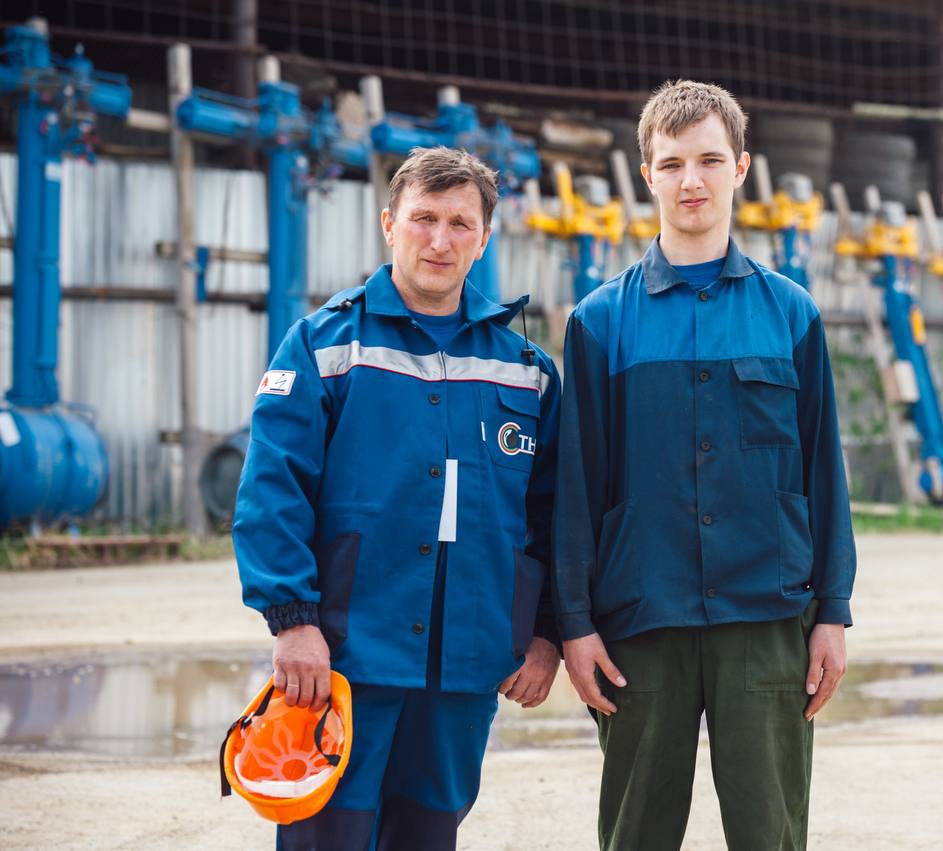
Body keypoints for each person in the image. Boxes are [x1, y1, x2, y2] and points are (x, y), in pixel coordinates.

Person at [553, 80, 857, 851]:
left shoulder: (791, 314)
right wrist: (574, 624)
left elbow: (823, 472)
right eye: (672, 163)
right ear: (647, 175)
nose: (692, 180)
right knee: (637, 835)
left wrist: (832, 610)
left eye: (710, 160)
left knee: (770, 833)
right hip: (640, 619)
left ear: (741, 167)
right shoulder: (600, 322)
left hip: (766, 616)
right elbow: (575, 488)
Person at [233, 146, 561, 850]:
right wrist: (292, 620)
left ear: (484, 238)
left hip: (468, 662)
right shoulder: (323, 345)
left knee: (429, 833)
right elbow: (271, 490)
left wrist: (546, 632)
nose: (440, 240)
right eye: (423, 218)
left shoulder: (526, 370)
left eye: (459, 223)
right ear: (389, 224)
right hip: (346, 654)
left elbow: (552, 513)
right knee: (328, 831)